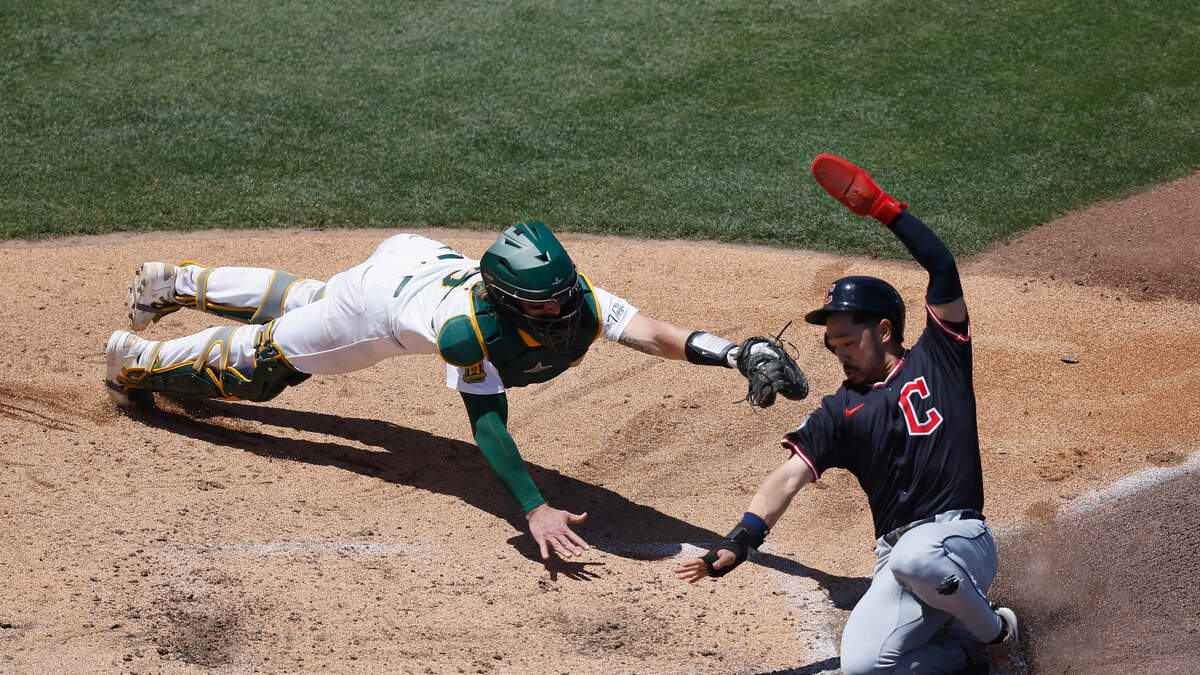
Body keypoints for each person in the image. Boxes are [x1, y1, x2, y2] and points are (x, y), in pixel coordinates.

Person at [105, 222, 770, 563]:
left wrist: (733, 352)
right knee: (269, 360)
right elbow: (487, 422)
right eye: (546, 305)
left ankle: (176, 282)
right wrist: (534, 506)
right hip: (376, 313)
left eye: (564, 296)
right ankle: (136, 360)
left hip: (413, 260)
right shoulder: (466, 332)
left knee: (312, 300)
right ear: (509, 301)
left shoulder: (565, 291)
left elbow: (650, 332)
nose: (563, 309)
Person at [674, 155, 1026, 674]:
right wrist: (741, 540)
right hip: (895, 558)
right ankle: (966, 654)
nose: (838, 351)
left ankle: (999, 632)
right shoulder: (840, 411)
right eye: (831, 343)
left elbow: (942, 267)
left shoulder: (941, 357)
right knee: (864, 668)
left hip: (959, 539)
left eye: (847, 339)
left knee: (917, 557)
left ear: (883, 330)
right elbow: (787, 478)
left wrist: (886, 211)